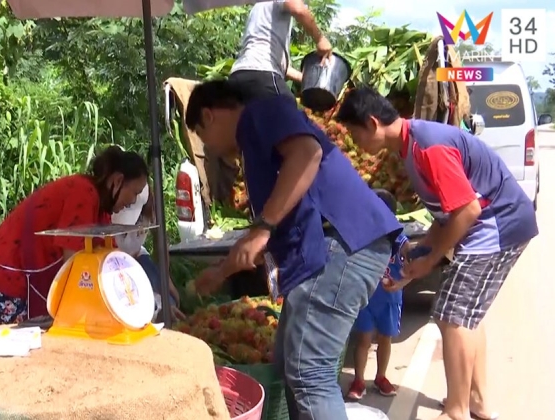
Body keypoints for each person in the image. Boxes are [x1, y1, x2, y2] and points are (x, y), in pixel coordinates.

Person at [184, 80, 402, 420]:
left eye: (201, 134)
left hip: (342, 244)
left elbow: (307, 154)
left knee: (309, 373)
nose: (207, 146)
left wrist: (263, 228)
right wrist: (222, 271)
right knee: (290, 363)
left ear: (209, 116)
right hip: (338, 249)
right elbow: (268, 236)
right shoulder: (255, 148)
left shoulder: (260, 112)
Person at [335, 87, 539, 420]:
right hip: (491, 225)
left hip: (499, 225)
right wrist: (422, 252)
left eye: (356, 135)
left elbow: (468, 211)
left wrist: (430, 261)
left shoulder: (428, 147)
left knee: (452, 314)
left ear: (372, 123)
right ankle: (477, 401)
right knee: (468, 314)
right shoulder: (411, 145)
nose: (357, 145)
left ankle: (456, 410)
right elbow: (447, 215)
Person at [0, 146, 149, 326]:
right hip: (2, 275)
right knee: (15, 340)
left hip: (23, 276)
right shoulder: (83, 193)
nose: (133, 201)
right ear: (118, 180)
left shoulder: (101, 209)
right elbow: (73, 264)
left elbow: (108, 260)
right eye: (135, 192)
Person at [346, 189, 410, 401]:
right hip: (366, 297)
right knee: (363, 339)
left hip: (390, 300)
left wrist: (404, 280)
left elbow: (411, 256)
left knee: (385, 338)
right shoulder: (363, 235)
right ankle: (359, 380)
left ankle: (381, 377)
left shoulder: (398, 238)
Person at [227, 0, 332, 102]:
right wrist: (320, 39)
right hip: (262, 74)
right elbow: (298, 9)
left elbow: (281, 67)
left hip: (238, 75)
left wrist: (310, 81)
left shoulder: (259, 10)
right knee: (288, 107)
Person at [112, 184, 184, 320]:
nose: (131, 201)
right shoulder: (112, 208)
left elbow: (159, 237)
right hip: (115, 264)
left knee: (169, 301)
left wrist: (166, 278)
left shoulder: (149, 204)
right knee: (145, 309)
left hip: (137, 256)